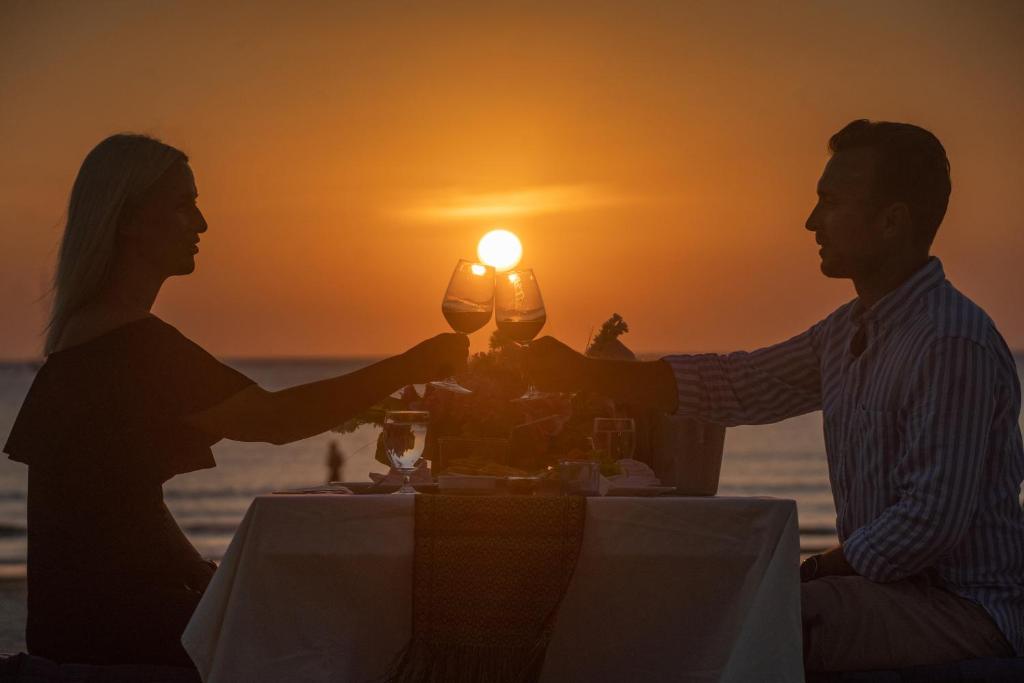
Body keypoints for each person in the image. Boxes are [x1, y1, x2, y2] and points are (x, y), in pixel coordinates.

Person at [525, 119, 1024, 672]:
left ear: (891, 221)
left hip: (964, 610)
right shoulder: (847, 331)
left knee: (764, 620)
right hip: (884, 596)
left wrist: (809, 570)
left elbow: (927, 523)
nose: (811, 222)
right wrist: (586, 374)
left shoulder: (950, 342)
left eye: (831, 203)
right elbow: (737, 384)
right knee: (718, 605)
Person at [2, 134, 468, 668]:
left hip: (77, 631)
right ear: (127, 220)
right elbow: (277, 420)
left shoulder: (82, 339)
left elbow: (122, 507)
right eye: (183, 206)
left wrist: (201, 572)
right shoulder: (131, 347)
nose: (201, 224)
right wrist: (410, 366)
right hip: (119, 642)